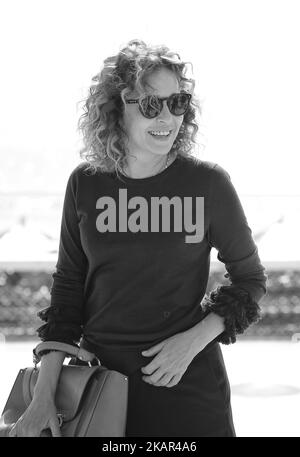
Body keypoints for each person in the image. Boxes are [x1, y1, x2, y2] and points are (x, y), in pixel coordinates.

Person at [9, 39, 267, 437]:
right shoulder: (86, 184)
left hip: (189, 387)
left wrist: (192, 342)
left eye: (176, 103)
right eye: (150, 104)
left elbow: (250, 279)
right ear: (117, 109)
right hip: (99, 388)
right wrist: (44, 393)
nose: (166, 117)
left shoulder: (208, 184)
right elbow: (67, 296)